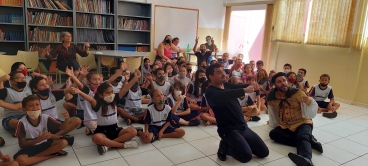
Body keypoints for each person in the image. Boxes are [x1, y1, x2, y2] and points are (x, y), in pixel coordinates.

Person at [205, 63, 269, 163]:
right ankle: (224, 147)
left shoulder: (226, 85)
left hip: (242, 126)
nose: (223, 74)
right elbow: (224, 95)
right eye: (218, 72)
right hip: (229, 130)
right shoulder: (210, 92)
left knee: (264, 152)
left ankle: (240, 142)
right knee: (245, 156)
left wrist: (251, 85)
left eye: (223, 71)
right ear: (210, 76)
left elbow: (238, 86)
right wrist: (244, 90)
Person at [70, 70, 142, 155]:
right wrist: (79, 92)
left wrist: (135, 78)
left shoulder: (115, 100)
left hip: (115, 129)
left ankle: (108, 145)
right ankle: (122, 145)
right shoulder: (97, 103)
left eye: (112, 92)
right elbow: (89, 98)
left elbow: (125, 89)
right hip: (102, 131)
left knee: (133, 131)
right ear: (100, 95)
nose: (111, 94)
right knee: (96, 138)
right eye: (107, 93)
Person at [267, 72, 323, 166]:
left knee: (302, 136)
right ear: (274, 85)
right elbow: (273, 112)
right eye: (279, 82)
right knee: (273, 134)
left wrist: (309, 102)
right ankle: (311, 142)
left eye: (284, 80)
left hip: (302, 122)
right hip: (286, 125)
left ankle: (306, 159)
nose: (283, 83)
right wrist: (273, 123)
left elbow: (310, 108)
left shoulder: (297, 93)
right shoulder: (272, 97)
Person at [13, 95, 69, 166]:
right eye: (30, 106)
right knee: (21, 161)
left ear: (41, 107)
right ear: (24, 110)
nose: (35, 108)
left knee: (64, 142)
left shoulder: (45, 117)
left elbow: (63, 127)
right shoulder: (21, 123)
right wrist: (38, 140)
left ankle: (36, 157)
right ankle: (50, 155)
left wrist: (67, 118)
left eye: (37, 105)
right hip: (30, 146)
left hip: (44, 144)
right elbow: (22, 145)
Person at [29, 76, 81, 143]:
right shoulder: (33, 100)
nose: (46, 86)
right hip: (43, 125)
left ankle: (54, 137)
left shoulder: (53, 94)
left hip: (55, 122)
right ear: (35, 89)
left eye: (46, 84)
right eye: (42, 85)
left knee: (77, 120)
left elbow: (70, 89)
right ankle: (54, 137)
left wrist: (75, 77)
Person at [0, 71, 32, 137]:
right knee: (16, 122)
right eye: (20, 78)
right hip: (10, 118)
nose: (23, 80)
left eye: (24, 78)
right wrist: (1, 80)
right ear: (11, 81)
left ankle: (21, 129)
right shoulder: (6, 91)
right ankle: (21, 128)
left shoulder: (28, 89)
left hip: (26, 116)